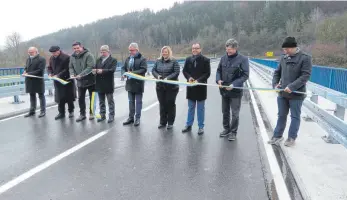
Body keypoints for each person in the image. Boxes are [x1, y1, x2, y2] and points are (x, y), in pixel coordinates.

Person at [268, 37, 312, 147]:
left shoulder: (305, 58)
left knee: (295, 116)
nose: (285, 51)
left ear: (293, 48)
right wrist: (275, 84)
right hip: (283, 93)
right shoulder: (283, 58)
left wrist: (292, 87)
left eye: (287, 49)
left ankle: (291, 138)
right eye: (284, 49)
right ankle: (277, 136)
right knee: (281, 115)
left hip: (296, 94)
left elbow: (305, 76)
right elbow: (277, 73)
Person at [216, 38, 249, 141]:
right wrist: (218, 80)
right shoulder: (223, 58)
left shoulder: (243, 59)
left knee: (235, 113)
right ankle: (226, 129)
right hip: (224, 90)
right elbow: (218, 71)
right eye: (227, 49)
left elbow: (245, 75)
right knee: (225, 111)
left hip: (235, 91)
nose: (228, 51)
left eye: (230, 49)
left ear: (235, 48)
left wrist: (234, 84)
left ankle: (233, 132)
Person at [182, 43, 211, 135]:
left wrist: (198, 80)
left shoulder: (206, 60)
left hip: (201, 87)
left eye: (196, 48)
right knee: (190, 108)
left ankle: (201, 127)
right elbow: (184, 71)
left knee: (200, 109)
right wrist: (189, 78)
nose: (194, 50)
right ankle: (188, 125)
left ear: (200, 49)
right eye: (193, 48)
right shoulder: (188, 59)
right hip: (191, 87)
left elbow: (207, 73)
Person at [152, 46, 180, 129]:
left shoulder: (174, 61)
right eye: (163, 52)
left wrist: (168, 78)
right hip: (160, 87)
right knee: (162, 104)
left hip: (171, 87)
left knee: (170, 104)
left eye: (166, 52)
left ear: (169, 52)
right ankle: (162, 122)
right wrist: (158, 76)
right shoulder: (158, 61)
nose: (164, 53)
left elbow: (176, 72)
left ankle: (170, 122)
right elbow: (153, 70)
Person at [69, 42, 96, 122]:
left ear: (81, 47)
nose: (76, 50)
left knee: (92, 97)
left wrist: (81, 74)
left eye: (77, 48)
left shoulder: (88, 55)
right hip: (80, 81)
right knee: (81, 98)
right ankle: (82, 114)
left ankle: (92, 113)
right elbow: (70, 67)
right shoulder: (72, 57)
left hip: (90, 80)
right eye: (74, 48)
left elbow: (90, 67)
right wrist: (72, 74)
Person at [121, 43, 147, 126]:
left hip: (138, 83)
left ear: (136, 50)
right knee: (130, 102)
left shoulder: (142, 59)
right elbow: (123, 68)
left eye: (132, 50)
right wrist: (123, 73)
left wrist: (132, 73)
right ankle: (131, 118)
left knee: (138, 102)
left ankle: (137, 118)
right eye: (129, 50)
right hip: (129, 84)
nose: (130, 52)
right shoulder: (128, 59)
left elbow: (143, 70)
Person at [47, 46, 76, 120]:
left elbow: (67, 69)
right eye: (52, 53)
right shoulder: (51, 58)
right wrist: (50, 73)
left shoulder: (66, 57)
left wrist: (58, 75)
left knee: (69, 97)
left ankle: (71, 111)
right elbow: (49, 67)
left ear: (58, 51)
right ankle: (61, 113)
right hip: (57, 81)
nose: (53, 54)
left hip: (66, 80)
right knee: (60, 98)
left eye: (54, 52)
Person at [93, 45, 117, 123]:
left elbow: (112, 70)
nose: (102, 53)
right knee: (101, 101)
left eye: (104, 52)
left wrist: (102, 71)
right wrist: (94, 71)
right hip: (99, 84)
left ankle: (111, 116)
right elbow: (95, 68)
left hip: (108, 83)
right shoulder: (98, 60)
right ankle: (102, 115)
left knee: (110, 101)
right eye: (101, 52)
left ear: (108, 51)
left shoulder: (113, 60)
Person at [23, 47, 47, 118]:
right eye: (29, 52)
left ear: (36, 52)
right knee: (32, 96)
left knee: (41, 96)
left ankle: (43, 111)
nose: (30, 53)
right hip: (29, 81)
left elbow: (40, 70)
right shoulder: (28, 59)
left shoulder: (42, 59)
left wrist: (29, 73)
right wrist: (25, 71)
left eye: (31, 52)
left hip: (38, 80)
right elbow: (26, 67)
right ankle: (32, 111)